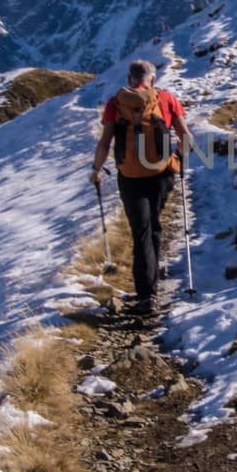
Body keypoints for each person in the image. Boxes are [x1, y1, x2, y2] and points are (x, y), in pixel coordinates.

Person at [91, 59, 190, 314]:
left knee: (142, 231)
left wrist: (96, 169)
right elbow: (185, 135)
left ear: (129, 80)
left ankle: (147, 294)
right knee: (152, 226)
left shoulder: (116, 103)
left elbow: (105, 142)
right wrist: (180, 157)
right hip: (162, 174)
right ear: (152, 80)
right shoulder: (167, 99)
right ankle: (150, 284)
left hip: (130, 177)